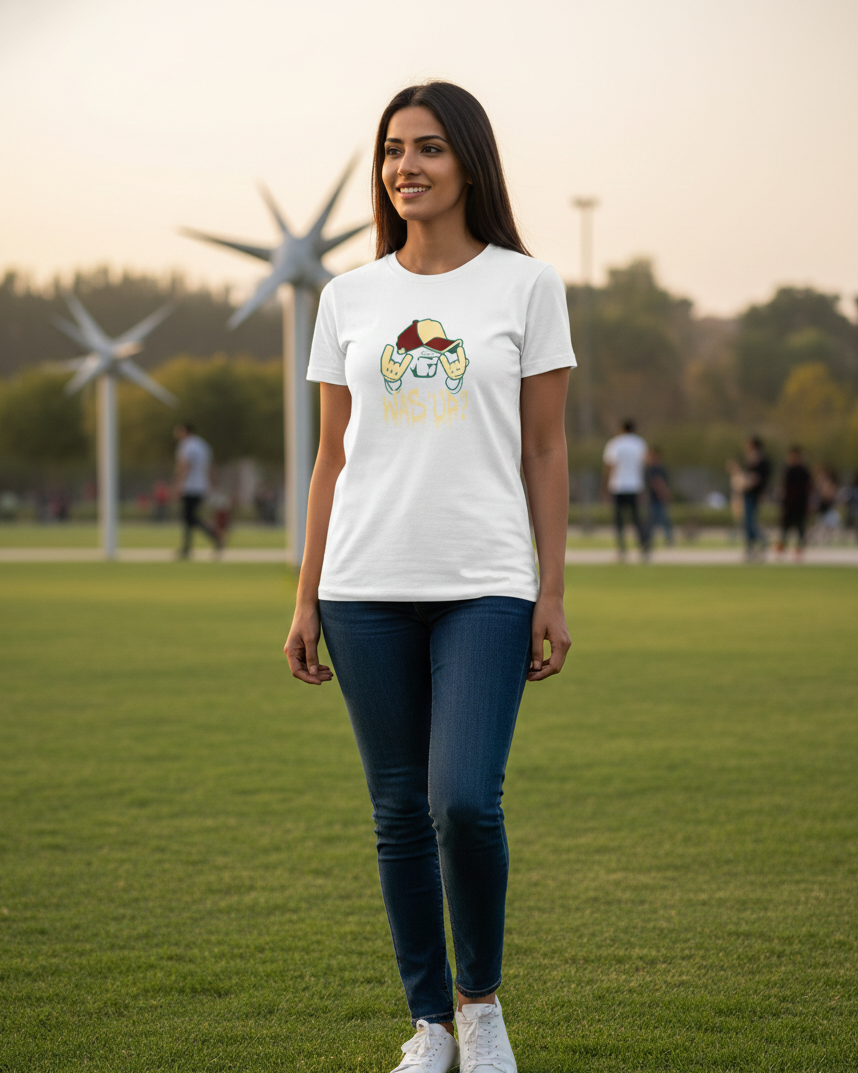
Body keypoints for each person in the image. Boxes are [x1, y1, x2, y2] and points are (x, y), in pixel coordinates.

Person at [284, 81, 575, 1073]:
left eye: (431, 148)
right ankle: (430, 1025)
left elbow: (546, 449)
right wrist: (304, 593)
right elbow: (332, 454)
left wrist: (553, 587)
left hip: (487, 581)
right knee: (398, 808)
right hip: (363, 586)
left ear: (470, 164)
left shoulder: (528, 285)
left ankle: (482, 1005)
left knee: (464, 798)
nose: (406, 165)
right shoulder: (348, 297)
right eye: (393, 149)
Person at [173, 422, 221, 558]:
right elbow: (210, 466)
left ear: (184, 431)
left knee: (190, 518)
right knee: (189, 518)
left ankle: (213, 538)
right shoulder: (203, 445)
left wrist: (177, 485)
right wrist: (212, 484)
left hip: (189, 487)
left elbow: (184, 466)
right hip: (201, 486)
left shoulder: (186, 446)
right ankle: (188, 547)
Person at [602, 419, 649, 559]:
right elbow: (644, 464)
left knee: (619, 520)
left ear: (622, 429)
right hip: (635, 485)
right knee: (636, 518)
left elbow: (610, 465)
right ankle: (643, 545)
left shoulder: (615, 443)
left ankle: (622, 548)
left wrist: (605, 485)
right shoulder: (640, 443)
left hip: (618, 485)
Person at [775, 445, 811, 559]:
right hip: (790, 504)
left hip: (799, 504)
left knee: (799, 527)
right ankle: (782, 547)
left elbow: (808, 488)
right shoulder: (789, 470)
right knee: (786, 527)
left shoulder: (803, 471)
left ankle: (798, 549)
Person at [741, 435, 771, 560]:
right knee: (747, 522)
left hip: (754, 494)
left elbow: (758, 479)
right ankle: (751, 546)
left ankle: (761, 540)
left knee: (749, 522)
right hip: (748, 494)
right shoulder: (751, 460)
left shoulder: (761, 461)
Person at [644, 445, 673, 546]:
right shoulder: (655, 468)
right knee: (659, 520)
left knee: (658, 520)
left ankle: (652, 540)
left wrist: (663, 493)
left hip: (656, 498)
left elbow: (658, 482)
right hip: (652, 498)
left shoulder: (654, 469)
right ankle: (653, 539)